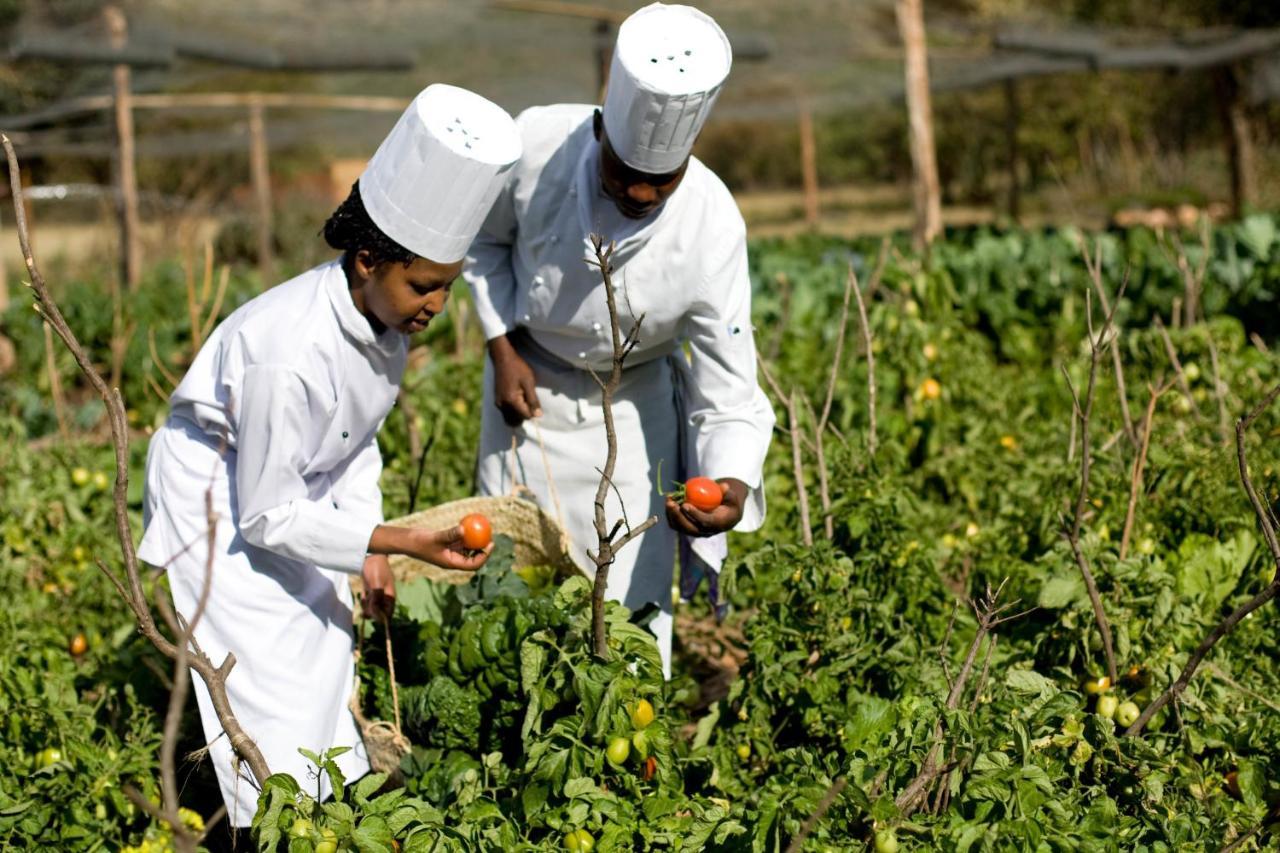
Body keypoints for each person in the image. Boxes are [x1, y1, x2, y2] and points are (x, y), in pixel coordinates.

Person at [137, 83, 521, 826]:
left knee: (324, 636)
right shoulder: (289, 352)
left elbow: (354, 443)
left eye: (446, 287)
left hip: (282, 483)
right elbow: (270, 513)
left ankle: (325, 817)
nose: (435, 306)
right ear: (369, 260)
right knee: (265, 670)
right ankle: (263, 824)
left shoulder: (386, 323)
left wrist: (365, 551)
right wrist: (402, 540)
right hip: (219, 494)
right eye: (423, 285)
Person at [466, 3, 775, 675]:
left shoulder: (712, 226)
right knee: (509, 598)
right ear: (600, 130)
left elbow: (729, 386)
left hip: (636, 412)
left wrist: (730, 484)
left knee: (632, 619)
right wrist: (501, 343)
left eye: (660, 181)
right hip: (529, 396)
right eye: (623, 172)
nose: (638, 192)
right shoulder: (538, 147)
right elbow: (485, 244)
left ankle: (630, 761)